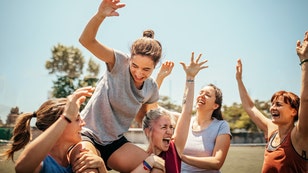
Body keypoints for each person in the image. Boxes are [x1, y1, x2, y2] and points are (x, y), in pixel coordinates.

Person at [71, 0, 166, 172]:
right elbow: (86, 40)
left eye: (146, 69)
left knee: (158, 166)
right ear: (130, 59)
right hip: (89, 134)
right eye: (135, 66)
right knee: (88, 168)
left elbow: (146, 116)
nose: (138, 73)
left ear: (155, 66)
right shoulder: (118, 62)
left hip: (115, 143)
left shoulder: (150, 88)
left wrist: (154, 141)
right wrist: (100, 15)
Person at [235, 31, 308, 172]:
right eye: (272, 104)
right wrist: (239, 80)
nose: (273, 108)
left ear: (294, 111)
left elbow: (305, 100)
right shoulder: (272, 130)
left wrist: (304, 60)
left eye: (279, 104)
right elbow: (250, 107)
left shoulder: (300, 135)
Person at [2, 87, 107, 173]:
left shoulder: (76, 160)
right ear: (59, 125)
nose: (83, 123)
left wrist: (102, 167)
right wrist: (66, 116)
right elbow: (21, 168)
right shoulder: (43, 162)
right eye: (77, 119)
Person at [142, 52, 208, 173]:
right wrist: (159, 77)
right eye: (164, 127)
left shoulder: (174, 148)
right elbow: (151, 109)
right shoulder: (140, 159)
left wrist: (190, 77)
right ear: (148, 131)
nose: (170, 131)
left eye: (171, 127)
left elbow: (186, 112)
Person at [181, 84, 232, 172]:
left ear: (215, 106)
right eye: (201, 92)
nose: (201, 95)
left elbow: (217, 162)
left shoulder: (221, 126)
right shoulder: (184, 121)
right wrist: (160, 77)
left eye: (207, 95)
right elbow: (154, 108)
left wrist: (182, 157)